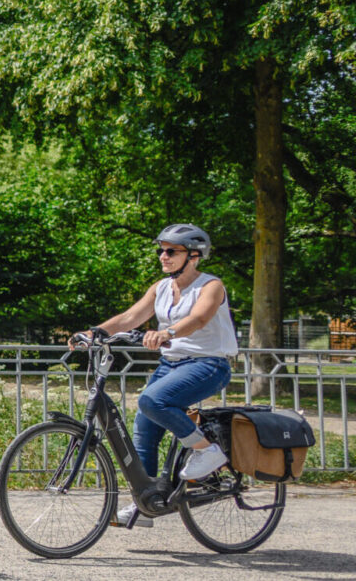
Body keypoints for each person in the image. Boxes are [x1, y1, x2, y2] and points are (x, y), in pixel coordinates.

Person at [71, 223, 237, 528]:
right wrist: (94, 332)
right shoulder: (161, 287)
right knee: (144, 429)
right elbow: (130, 317)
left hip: (208, 364)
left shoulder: (211, 286)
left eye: (171, 251)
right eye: (161, 250)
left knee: (152, 400)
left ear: (194, 256)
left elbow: (199, 318)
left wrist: (167, 333)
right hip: (172, 364)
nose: (163, 255)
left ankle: (207, 451)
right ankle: (145, 503)